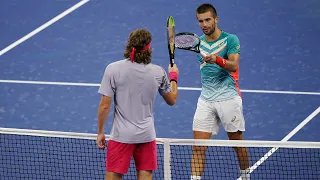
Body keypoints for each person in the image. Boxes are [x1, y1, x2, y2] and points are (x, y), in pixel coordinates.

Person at [95, 28, 179, 180]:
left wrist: (100, 132)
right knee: (145, 174)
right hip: (146, 136)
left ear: (129, 45)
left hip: (121, 137)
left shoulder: (113, 69)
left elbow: (105, 106)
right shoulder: (158, 72)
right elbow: (172, 100)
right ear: (149, 48)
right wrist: (173, 77)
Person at [190, 3, 250, 180]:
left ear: (216, 19)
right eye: (200, 21)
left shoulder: (231, 39)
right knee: (198, 147)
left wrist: (217, 59)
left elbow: (233, 65)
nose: (204, 24)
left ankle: (246, 177)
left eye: (208, 19)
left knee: (237, 145)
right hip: (206, 100)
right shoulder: (198, 43)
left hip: (228, 98)